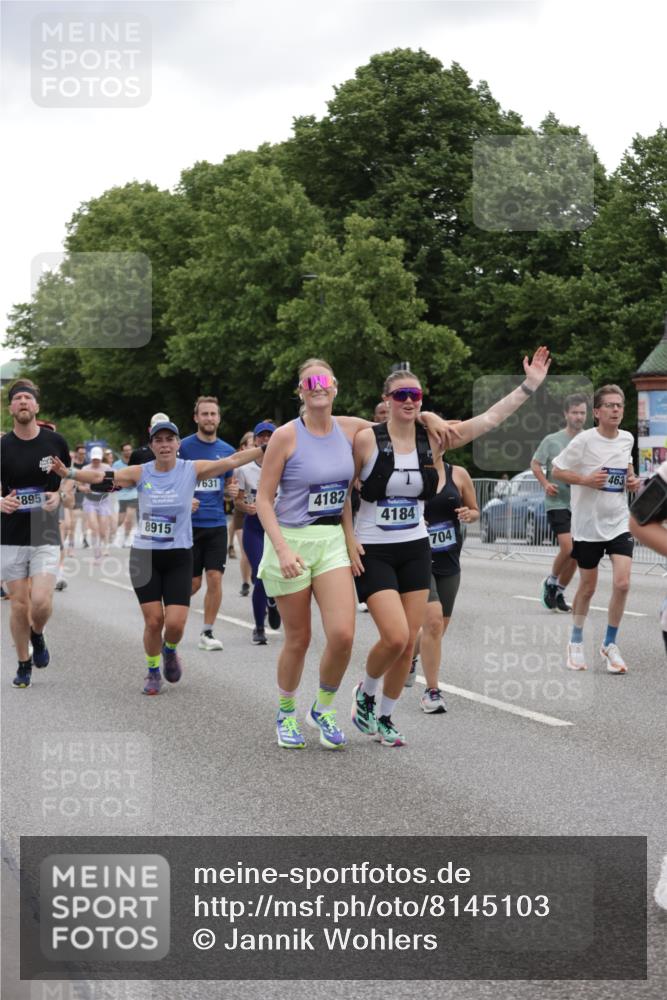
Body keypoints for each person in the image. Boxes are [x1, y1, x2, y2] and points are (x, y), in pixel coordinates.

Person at [349, 347, 551, 747]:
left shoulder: (436, 439)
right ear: (386, 400)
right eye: (401, 395)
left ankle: (386, 716)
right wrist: (348, 538)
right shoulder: (364, 440)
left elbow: (491, 419)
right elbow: (342, 489)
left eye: (416, 396)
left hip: (415, 547)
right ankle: (365, 693)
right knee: (393, 636)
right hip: (374, 547)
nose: (410, 401)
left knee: (409, 641)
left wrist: (528, 386)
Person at [256, 358, 458, 750]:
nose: (317, 386)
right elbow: (264, 499)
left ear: (335, 387)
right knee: (298, 638)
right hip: (291, 540)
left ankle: (325, 708)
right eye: (309, 381)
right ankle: (285, 712)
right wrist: (281, 548)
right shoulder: (286, 436)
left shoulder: (350, 429)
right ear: (300, 390)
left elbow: (400, 419)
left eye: (324, 380)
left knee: (344, 635)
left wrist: (429, 415)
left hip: (331, 540)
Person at [52, 419, 264, 694]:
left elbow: (232, 460)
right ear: (152, 445)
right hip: (145, 555)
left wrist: (265, 449)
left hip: (178, 555)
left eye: (169, 439)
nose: (164, 445)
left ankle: (170, 649)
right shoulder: (141, 473)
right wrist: (68, 473)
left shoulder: (192, 469)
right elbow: (100, 479)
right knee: (154, 621)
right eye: (159, 440)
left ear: (178, 444)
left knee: (175, 624)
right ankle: (152, 670)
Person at [552, 385, 640, 673]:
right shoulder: (584, 441)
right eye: (610, 406)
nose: (616, 410)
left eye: (620, 405)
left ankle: (609, 644)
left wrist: (631, 479)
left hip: (618, 522)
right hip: (588, 526)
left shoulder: (627, 438)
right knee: (588, 587)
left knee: (623, 583)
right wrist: (586, 480)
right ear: (597, 412)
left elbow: (626, 466)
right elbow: (557, 470)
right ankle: (576, 641)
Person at [1, 379, 71, 688]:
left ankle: (37, 635)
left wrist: (61, 495)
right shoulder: (2, 446)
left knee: (40, 601)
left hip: (44, 529)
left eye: (28, 398)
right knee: (19, 604)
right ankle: (23, 662)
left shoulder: (54, 442)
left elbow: (70, 478)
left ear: (37, 407)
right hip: (11, 532)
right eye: (18, 399)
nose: (24, 403)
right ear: (11, 408)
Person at [414, 460, 479, 712]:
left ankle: (409, 658)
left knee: (438, 628)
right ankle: (432, 691)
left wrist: (468, 514)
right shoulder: (412, 472)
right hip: (420, 560)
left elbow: (475, 510)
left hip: (449, 560)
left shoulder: (459, 474)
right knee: (432, 621)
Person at [178, 397, 235, 651]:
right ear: (196, 418)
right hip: (188, 526)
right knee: (192, 583)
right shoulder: (184, 448)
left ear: (219, 418)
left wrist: (231, 492)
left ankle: (207, 632)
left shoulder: (228, 451)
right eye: (205, 414)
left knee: (214, 577)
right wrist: (184, 499)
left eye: (213, 414)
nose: (209, 418)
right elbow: (171, 479)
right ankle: (171, 611)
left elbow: (228, 486)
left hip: (216, 524)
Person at [531, 393, 588, 612]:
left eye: (582, 413)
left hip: (581, 503)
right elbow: (535, 464)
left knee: (578, 553)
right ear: (566, 414)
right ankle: (551, 581)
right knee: (568, 547)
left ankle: (560, 590)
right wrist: (545, 483)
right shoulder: (552, 440)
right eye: (574, 412)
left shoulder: (589, 438)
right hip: (557, 502)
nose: (579, 417)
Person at [235, 421, 281, 644]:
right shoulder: (244, 468)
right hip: (254, 527)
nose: (265, 440)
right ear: (254, 441)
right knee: (260, 576)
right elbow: (238, 500)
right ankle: (259, 628)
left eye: (269, 436)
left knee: (274, 576)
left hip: (278, 528)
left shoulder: (286, 464)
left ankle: (272, 602)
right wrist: (246, 507)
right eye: (260, 437)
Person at [229, 431, 254, 599]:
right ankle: (246, 581)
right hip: (242, 511)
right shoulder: (238, 466)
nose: (255, 447)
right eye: (251, 445)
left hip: (261, 511)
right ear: (244, 447)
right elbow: (231, 489)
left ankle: (257, 578)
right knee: (246, 550)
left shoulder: (268, 461)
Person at [81, 446, 114, 561]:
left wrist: (110, 488)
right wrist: (83, 488)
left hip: (103, 501)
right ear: (91, 458)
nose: (96, 461)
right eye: (94, 459)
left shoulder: (107, 468)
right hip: (90, 501)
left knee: (103, 529)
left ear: (101, 458)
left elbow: (115, 483)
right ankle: (97, 551)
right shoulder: (85, 469)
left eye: (98, 459)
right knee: (94, 527)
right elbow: (78, 484)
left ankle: (105, 545)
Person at [113, 443, 138, 546]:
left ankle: (127, 539)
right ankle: (115, 537)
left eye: (129, 450)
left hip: (134, 495)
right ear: (122, 452)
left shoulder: (137, 463)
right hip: (121, 496)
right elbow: (114, 480)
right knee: (120, 520)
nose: (128, 452)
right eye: (125, 450)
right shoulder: (116, 465)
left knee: (129, 519)